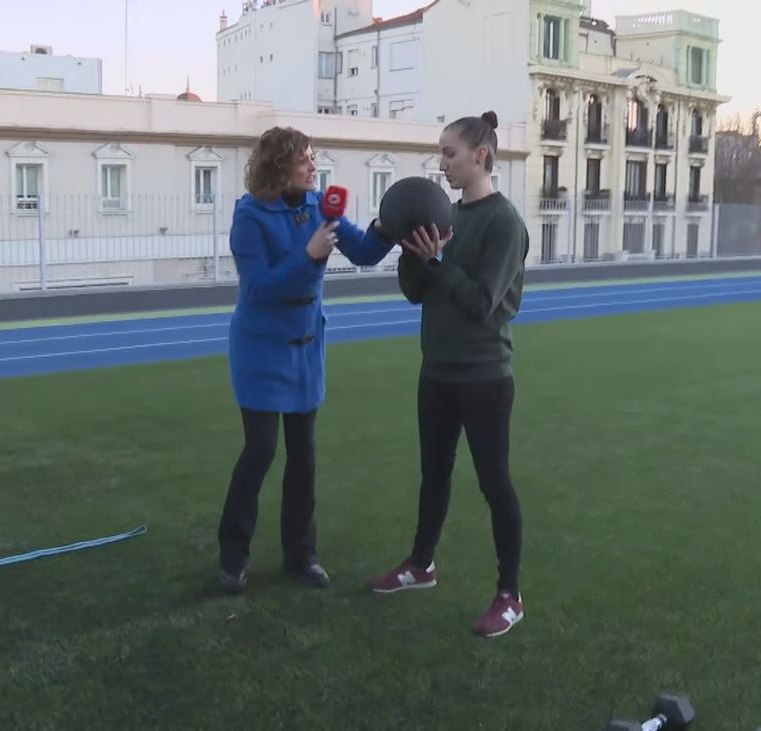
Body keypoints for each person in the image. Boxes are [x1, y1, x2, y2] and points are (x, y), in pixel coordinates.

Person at [367, 111, 531, 638]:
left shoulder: (504, 223)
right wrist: (413, 256)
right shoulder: (444, 218)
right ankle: (422, 565)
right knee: (433, 473)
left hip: (484, 376)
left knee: (494, 482)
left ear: (481, 156)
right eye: (440, 153)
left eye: (450, 154)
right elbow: (416, 292)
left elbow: (485, 303)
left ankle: (510, 594)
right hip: (435, 370)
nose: (442, 164)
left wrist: (440, 263)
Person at [218, 127, 394, 593]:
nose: (314, 167)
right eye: (305, 160)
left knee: (304, 457)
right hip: (260, 348)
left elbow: (363, 252)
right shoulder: (250, 217)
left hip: (305, 349)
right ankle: (232, 559)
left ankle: (301, 556)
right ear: (279, 167)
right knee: (260, 451)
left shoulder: (320, 206)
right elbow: (258, 290)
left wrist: (388, 225)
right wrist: (309, 255)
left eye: (314, 158)